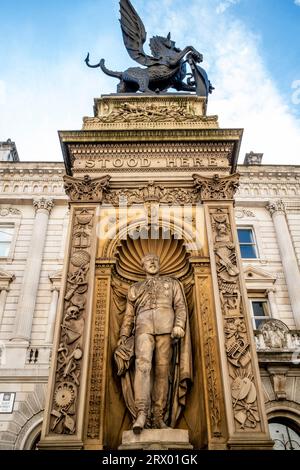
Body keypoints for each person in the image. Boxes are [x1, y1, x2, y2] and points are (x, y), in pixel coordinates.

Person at [115, 253, 192, 434]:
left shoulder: (172, 283)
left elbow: (180, 305)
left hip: (167, 328)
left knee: (162, 372)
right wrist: (124, 335)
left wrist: (179, 325)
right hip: (143, 328)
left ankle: (158, 416)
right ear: (142, 265)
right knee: (143, 367)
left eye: (155, 260)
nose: (152, 262)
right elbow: (128, 315)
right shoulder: (135, 288)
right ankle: (141, 413)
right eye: (148, 261)